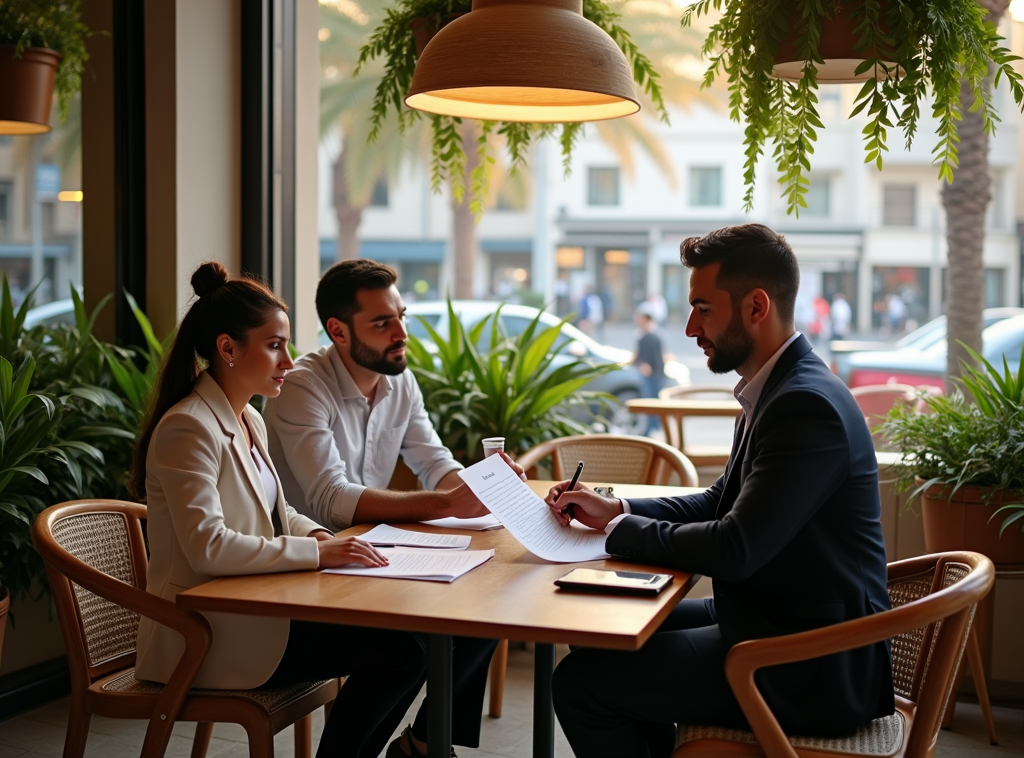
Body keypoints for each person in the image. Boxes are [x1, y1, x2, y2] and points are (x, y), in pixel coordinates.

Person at [543, 224, 893, 758]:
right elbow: (717, 503)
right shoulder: (775, 389)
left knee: (581, 684)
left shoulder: (805, 407)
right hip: (779, 617)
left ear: (756, 306)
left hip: (811, 662)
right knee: (602, 631)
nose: (688, 328)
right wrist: (615, 508)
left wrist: (619, 531)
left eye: (703, 309)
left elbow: (736, 548)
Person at [133, 262, 426, 758]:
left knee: (409, 639)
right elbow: (208, 548)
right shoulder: (188, 429)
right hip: (206, 634)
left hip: (254, 610)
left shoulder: (247, 415)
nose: (288, 361)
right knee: (404, 651)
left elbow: (279, 511)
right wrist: (320, 557)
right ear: (227, 348)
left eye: (287, 344)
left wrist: (321, 538)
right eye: (274, 345)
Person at [263, 258, 500, 757]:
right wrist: (445, 502)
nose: (401, 333)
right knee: (408, 649)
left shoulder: (399, 381)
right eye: (382, 322)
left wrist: (485, 487)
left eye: (401, 316)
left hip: (370, 555)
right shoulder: (303, 386)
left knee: (489, 611)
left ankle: (423, 744)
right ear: (339, 331)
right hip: (309, 564)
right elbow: (331, 497)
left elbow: (433, 460)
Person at [632, 304, 666, 435]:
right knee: (650, 401)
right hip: (651, 374)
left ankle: (652, 428)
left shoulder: (652, 336)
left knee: (651, 401)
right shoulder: (647, 335)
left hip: (653, 375)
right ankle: (651, 428)